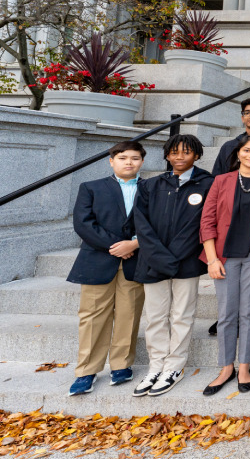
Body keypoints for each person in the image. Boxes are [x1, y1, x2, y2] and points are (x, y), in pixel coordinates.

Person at [132, 134, 213, 397]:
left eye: (186, 152)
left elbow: (200, 225)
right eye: (174, 152)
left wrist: (174, 257)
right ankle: (156, 366)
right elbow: (141, 223)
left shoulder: (208, 184)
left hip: (186, 261)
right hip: (153, 262)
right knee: (155, 317)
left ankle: (174, 367)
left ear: (197, 155)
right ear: (167, 155)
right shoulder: (151, 185)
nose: (180, 157)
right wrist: (160, 257)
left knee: (182, 316)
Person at [199, 136, 250, 396]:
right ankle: (226, 367)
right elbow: (207, 221)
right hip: (224, 257)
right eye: (247, 150)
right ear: (238, 153)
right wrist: (211, 259)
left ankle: (244, 366)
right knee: (226, 314)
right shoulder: (221, 181)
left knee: (248, 313)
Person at [67, 141, 147, 396]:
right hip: (98, 259)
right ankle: (86, 371)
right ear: (111, 160)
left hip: (136, 260)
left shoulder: (152, 188)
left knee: (129, 314)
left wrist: (134, 244)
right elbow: (83, 224)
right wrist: (117, 246)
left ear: (142, 162)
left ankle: (121, 365)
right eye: (123, 157)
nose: (129, 162)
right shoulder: (91, 187)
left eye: (135, 158)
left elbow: (159, 222)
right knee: (92, 316)